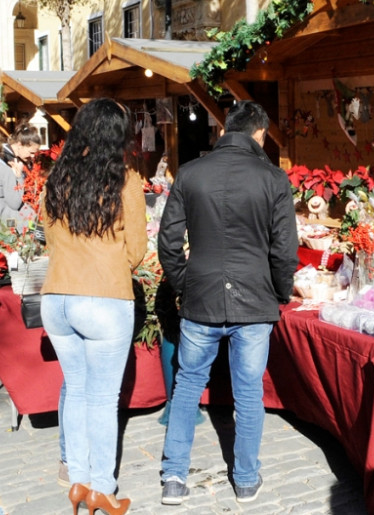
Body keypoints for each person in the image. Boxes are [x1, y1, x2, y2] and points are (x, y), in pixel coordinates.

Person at [158, 100, 298, 505]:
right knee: (248, 391)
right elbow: (284, 250)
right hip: (254, 300)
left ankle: (173, 476)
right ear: (259, 134)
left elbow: (167, 243)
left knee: (187, 386)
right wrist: (280, 291)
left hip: (202, 296)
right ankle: (246, 479)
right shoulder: (273, 178)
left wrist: (185, 282)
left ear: (224, 131)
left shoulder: (190, 173)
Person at [40, 98, 145, 515]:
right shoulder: (126, 179)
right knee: (102, 400)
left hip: (57, 297)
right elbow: (136, 250)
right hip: (103, 296)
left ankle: (78, 481)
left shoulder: (57, 177)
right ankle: (101, 487)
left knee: (78, 393)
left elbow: (49, 240)